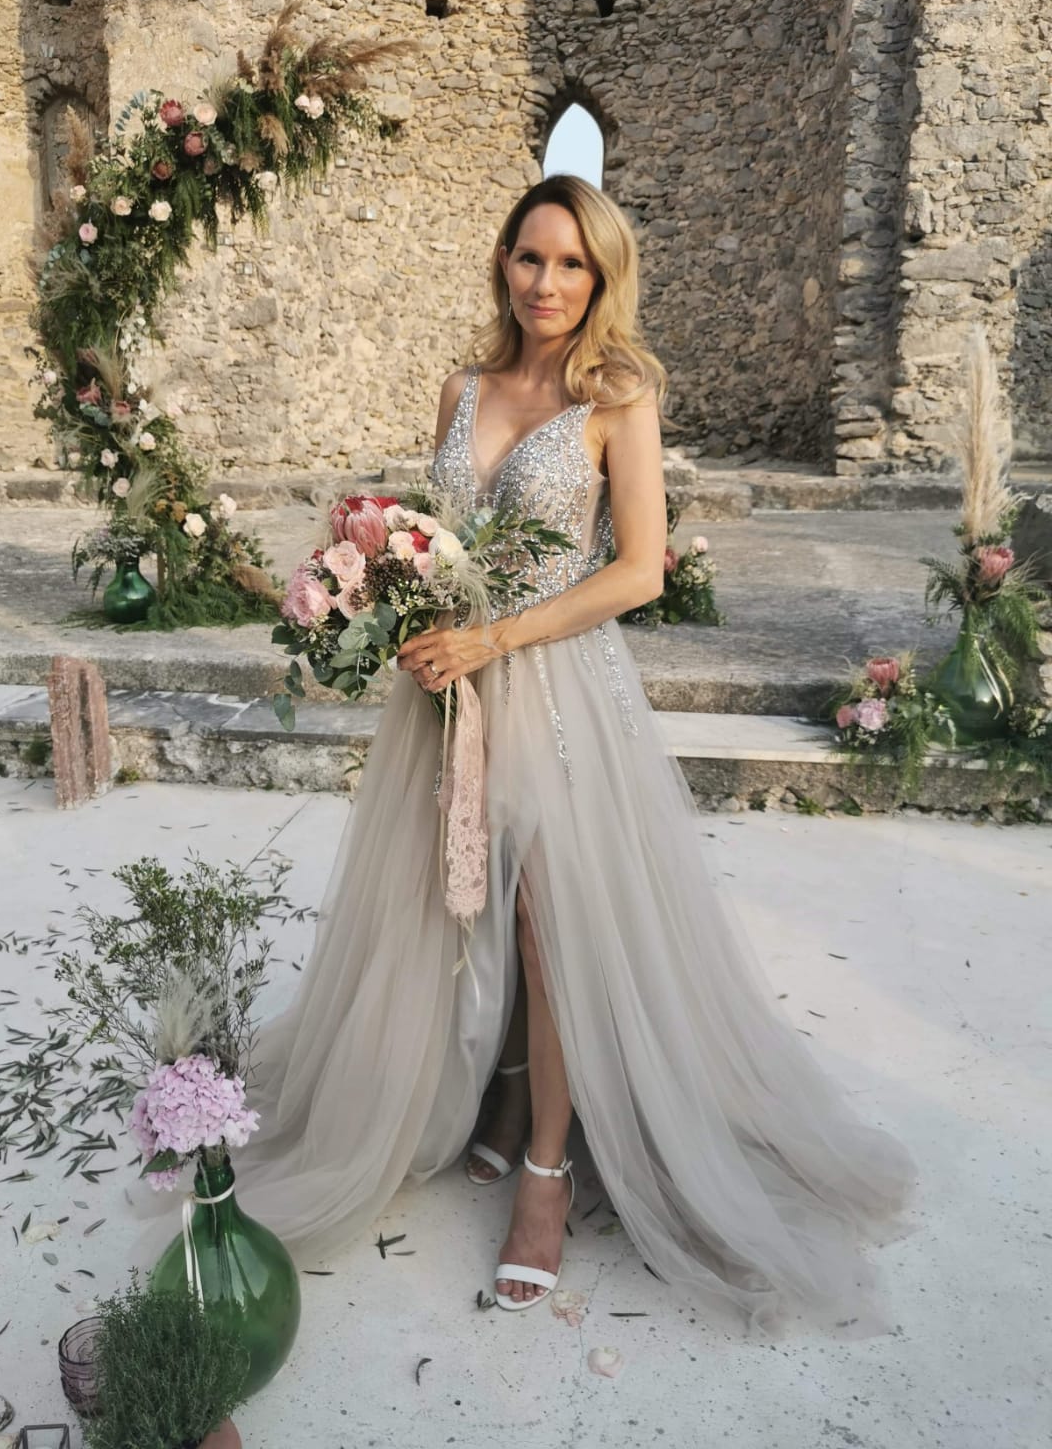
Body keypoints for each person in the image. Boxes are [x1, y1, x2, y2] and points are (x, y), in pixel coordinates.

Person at [237, 174, 917, 1336]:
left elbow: (640, 570)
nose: (547, 284)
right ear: (501, 262)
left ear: (600, 277)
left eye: (571, 265)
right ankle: (499, 1099)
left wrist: (498, 631)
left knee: (554, 928)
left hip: (557, 690)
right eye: (529, 258)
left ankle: (547, 1169)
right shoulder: (462, 384)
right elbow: (440, 534)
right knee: (451, 908)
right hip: (449, 686)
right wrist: (383, 585)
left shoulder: (617, 396)